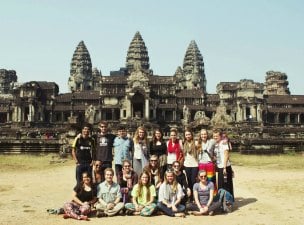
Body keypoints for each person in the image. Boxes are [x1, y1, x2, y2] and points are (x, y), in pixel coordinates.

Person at [213, 129, 234, 200]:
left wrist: (224, 167)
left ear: (220, 136)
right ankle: (222, 200)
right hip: (220, 167)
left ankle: (228, 201)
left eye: (217, 136)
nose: (215, 137)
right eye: (214, 136)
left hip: (225, 167)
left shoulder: (224, 143)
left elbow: (226, 155)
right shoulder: (216, 144)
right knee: (221, 185)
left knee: (226, 185)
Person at [197, 129, 216, 193]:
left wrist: (226, 139)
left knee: (210, 179)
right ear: (200, 135)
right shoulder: (198, 143)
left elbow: (219, 139)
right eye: (202, 134)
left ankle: (212, 195)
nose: (203, 136)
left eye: (205, 134)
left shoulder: (212, 141)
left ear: (207, 134)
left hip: (209, 163)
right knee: (202, 180)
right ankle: (203, 194)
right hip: (201, 164)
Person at [183, 128, 199, 200]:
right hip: (187, 164)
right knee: (188, 181)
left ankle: (195, 196)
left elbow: (199, 152)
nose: (188, 136)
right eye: (186, 135)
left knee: (193, 181)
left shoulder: (195, 143)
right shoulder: (184, 143)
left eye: (189, 134)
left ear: (191, 135)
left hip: (195, 164)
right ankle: (190, 197)